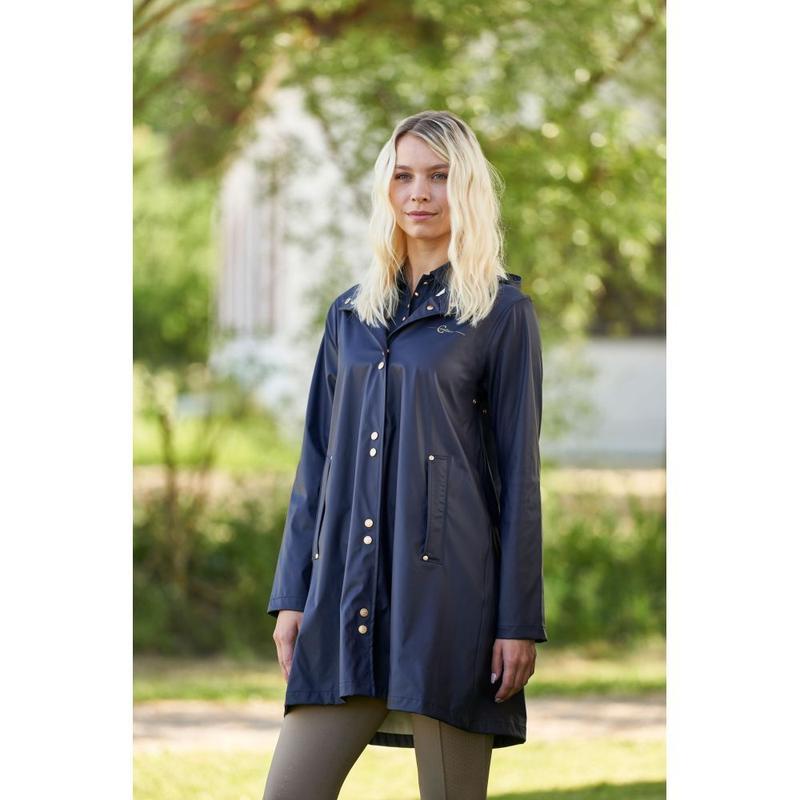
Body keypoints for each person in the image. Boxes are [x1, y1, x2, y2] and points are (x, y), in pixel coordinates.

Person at [262, 109, 547, 800]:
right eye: (404, 176)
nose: (419, 192)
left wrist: (516, 622)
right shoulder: (350, 315)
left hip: (450, 605)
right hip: (345, 598)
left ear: (466, 187)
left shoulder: (500, 313)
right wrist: (293, 594)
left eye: (439, 176)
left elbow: (519, 478)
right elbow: (317, 463)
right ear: (385, 189)